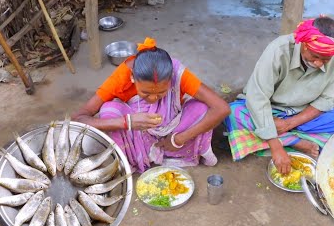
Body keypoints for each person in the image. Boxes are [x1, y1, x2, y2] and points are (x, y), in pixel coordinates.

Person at [72, 37, 231, 173]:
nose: (154, 98)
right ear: (133, 78)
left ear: (171, 80)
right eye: (146, 93)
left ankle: (173, 151)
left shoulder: (176, 72)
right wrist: (127, 122)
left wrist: (179, 138)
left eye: (161, 92)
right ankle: (135, 157)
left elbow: (222, 108)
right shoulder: (122, 76)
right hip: (135, 133)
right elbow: (79, 118)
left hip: (173, 131)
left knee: (201, 107)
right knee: (109, 109)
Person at [224, 16, 334, 175]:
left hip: (303, 113)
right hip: (269, 109)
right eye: (315, 56)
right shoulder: (278, 51)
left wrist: (289, 124)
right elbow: (257, 98)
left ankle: (279, 137)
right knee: (233, 113)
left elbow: (325, 100)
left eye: (325, 60)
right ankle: (296, 142)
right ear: (303, 44)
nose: (319, 63)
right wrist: (276, 146)